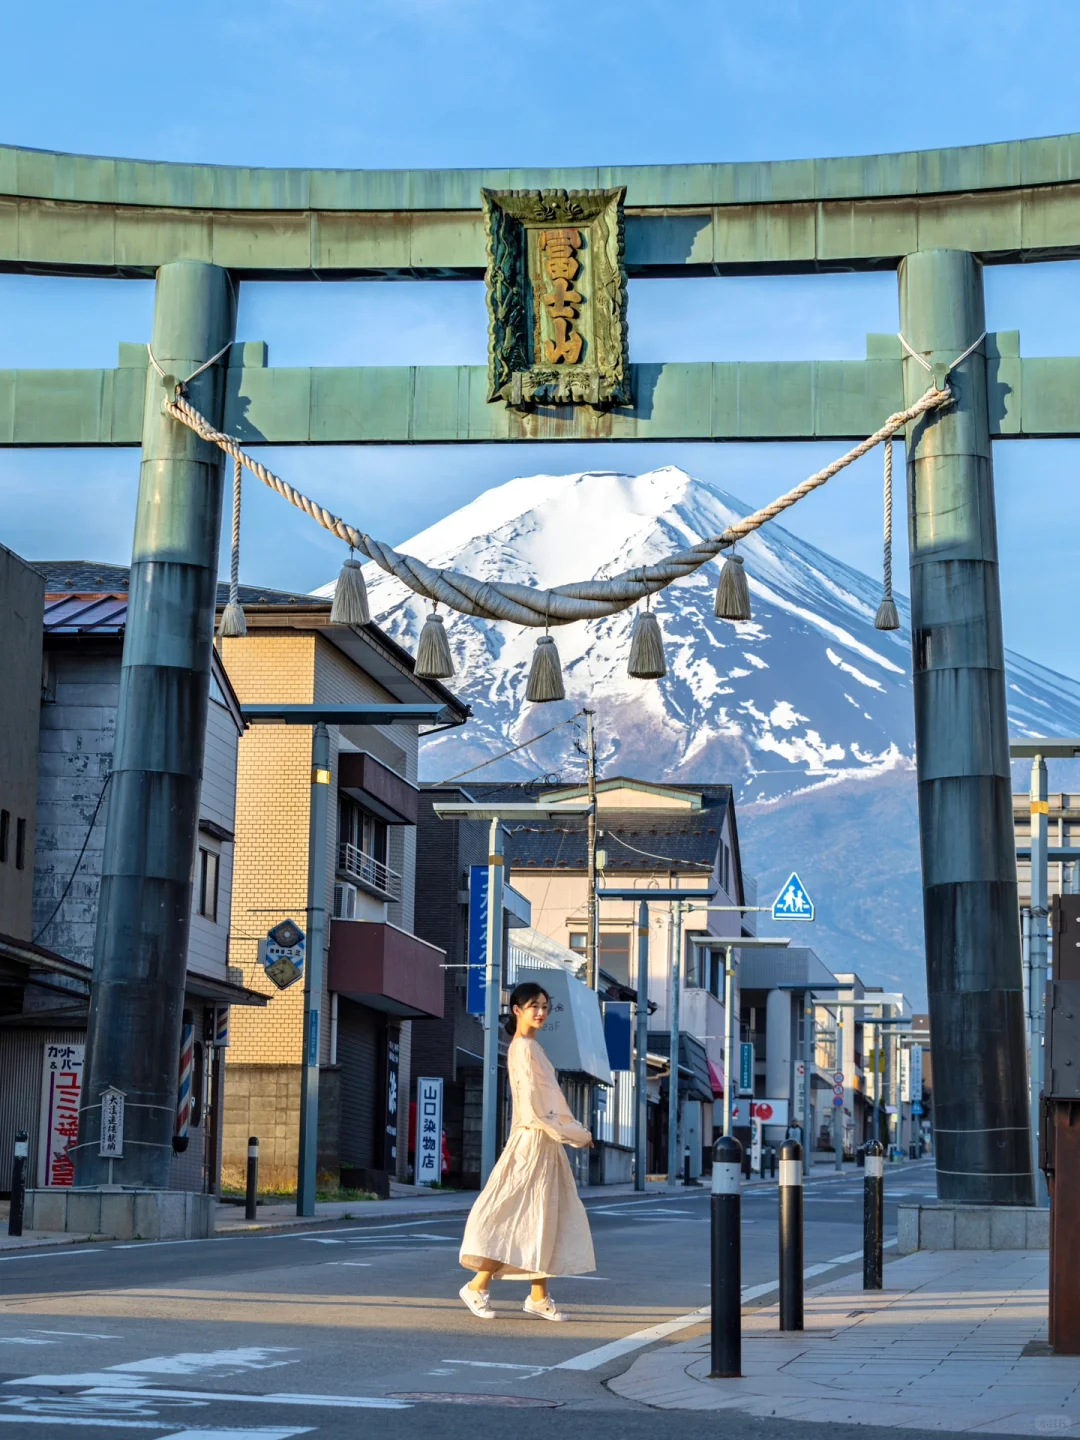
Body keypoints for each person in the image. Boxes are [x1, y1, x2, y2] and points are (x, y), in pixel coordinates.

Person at [458, 981, 595, 1322]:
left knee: (543, 1218)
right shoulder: (523, 1048)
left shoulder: (533, 1047)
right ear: (517, 1009)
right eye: (534, 1005)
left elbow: (548, 1101)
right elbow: (538, 1104)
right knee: (512, 1215)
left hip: (544, 1142)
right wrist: (576, 1132)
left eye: (545, 1007)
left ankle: (538, 1295)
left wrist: (570, 1133)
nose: (541, 1012)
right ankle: (477, 1285)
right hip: (532, 1141)